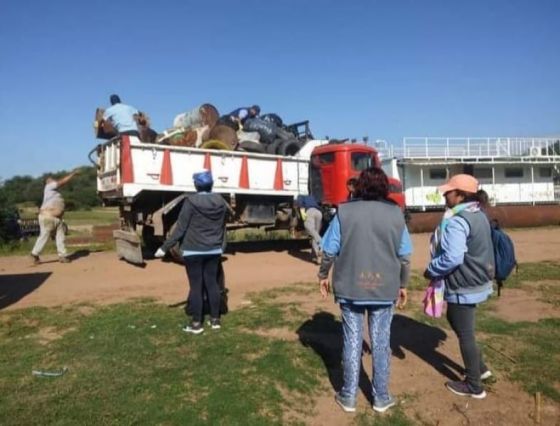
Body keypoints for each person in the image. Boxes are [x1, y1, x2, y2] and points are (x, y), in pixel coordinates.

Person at [318, 167, 412, 413]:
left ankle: (348, 396)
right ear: (384, 187)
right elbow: (404, 256)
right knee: (381, 342)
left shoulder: (344, 211)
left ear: (359, 186)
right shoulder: (396, 214)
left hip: (351, 287)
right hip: (384, 288)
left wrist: (322, 275)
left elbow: (329, 250)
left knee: (352, 341)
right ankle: (381, 397)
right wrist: (403, 284)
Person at [424, 174, 494, 399]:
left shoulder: (457, 220)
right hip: (477, 280)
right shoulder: (478, 214)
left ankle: (474, 385)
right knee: (460, 324)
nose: (445, 195)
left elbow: (453, 257)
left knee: (465, 333)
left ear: (461, 195)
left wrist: (432, 269)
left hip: (463, 284)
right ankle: (480, 368)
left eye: (449, 191)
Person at [155, 170, 229, 334]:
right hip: (214, 250)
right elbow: (222, 227)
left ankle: (196, 324)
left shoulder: (191, 201)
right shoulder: (221, 201)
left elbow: (180, 228)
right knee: (212, 283)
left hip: (193, 251)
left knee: (196, 286)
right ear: (212, 184)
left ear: (196, 185)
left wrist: (164, 248)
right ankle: (215, 320)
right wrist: (221, 246)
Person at [30, 170, 79, 264]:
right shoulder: (48, 187)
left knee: (60, 237)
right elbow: (62, 182)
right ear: (47, 182)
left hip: (57, 218)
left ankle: (62, 256)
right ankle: (34, 253)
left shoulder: (54, 192)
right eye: (51, 180)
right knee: (45, 235)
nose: (53, 180)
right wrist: (72, 174)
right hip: (48, 216)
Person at [295, 194, 323, 264]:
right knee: (315, 234)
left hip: (309, 212)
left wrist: (304, 219)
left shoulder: (300, 197)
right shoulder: (312, 197)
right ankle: (316, 257)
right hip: (318, 212)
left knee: (311, 231)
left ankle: (322, 243)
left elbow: (301, 206)